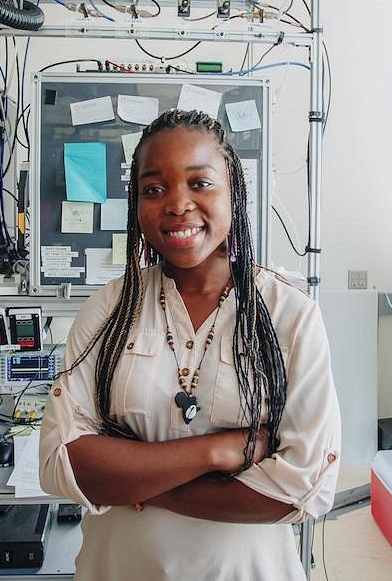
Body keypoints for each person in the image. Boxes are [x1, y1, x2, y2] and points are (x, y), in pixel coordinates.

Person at [39, 109, 341, 580]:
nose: (177, 204)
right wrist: (215, 453)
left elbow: (302, 489)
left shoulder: (289, 314)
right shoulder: (108, 310)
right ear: (136, 204)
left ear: (233, 194)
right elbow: (65, 463)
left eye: (200, 183)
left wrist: (137, 485)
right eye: (154, 189)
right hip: (120, 568)